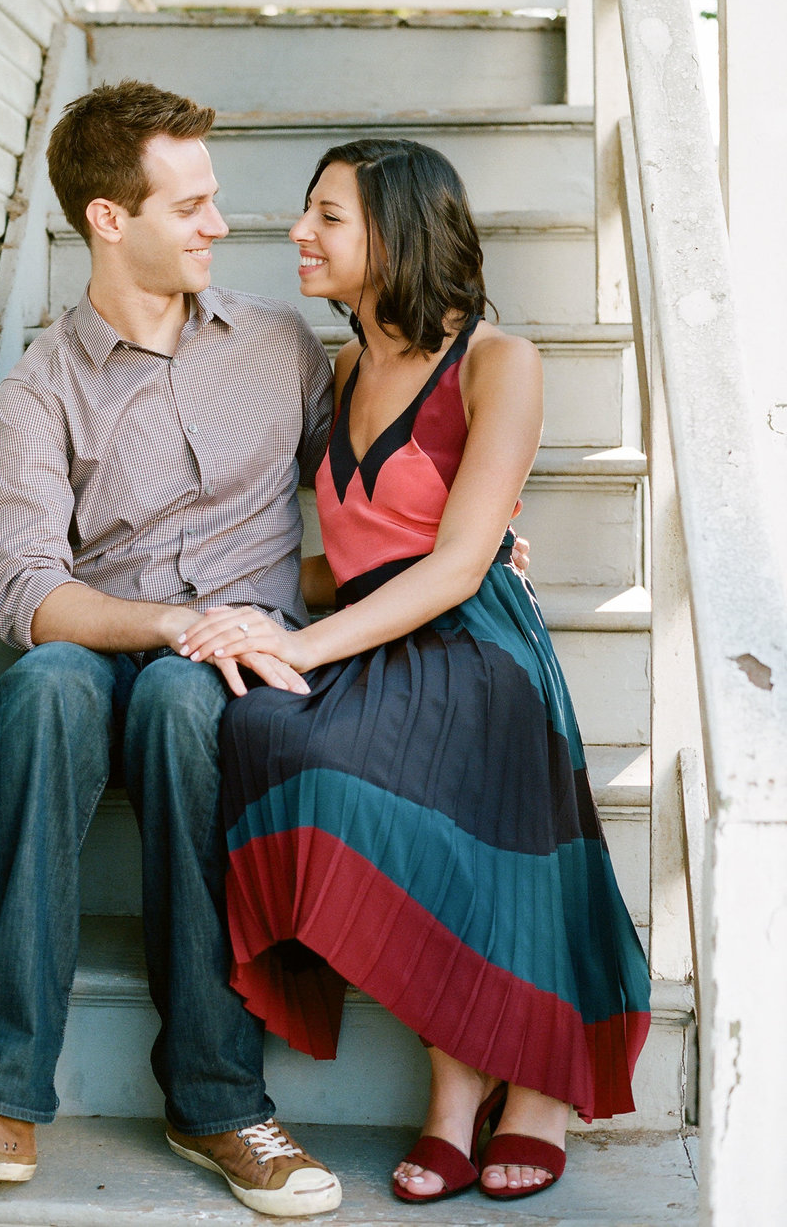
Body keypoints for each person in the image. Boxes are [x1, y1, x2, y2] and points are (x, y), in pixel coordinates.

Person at [0, 80, 345, 1217]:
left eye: (213, 199)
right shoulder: (40, 387)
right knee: (43, 687)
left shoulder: (282, 346)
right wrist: (165, 623)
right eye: (188, 204)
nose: (218, 224)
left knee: (186, 703)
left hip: (233, 670)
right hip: (109, 642)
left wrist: (477, 540)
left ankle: (218, 1099)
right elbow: (30, 594)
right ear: (107, 217)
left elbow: (366, 493)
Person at [177, 139, 651, 1205]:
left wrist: (296, 641)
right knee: (262, 729)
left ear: (398, 231)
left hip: (473, 641)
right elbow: (330, 540)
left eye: (327, 217)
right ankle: (465, 1075)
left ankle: (514, 1086)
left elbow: (452, 565)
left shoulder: (500, 362)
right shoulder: (336, 369)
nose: (299, 233)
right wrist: (236, 606)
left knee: (386, 756)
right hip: (370, 631)